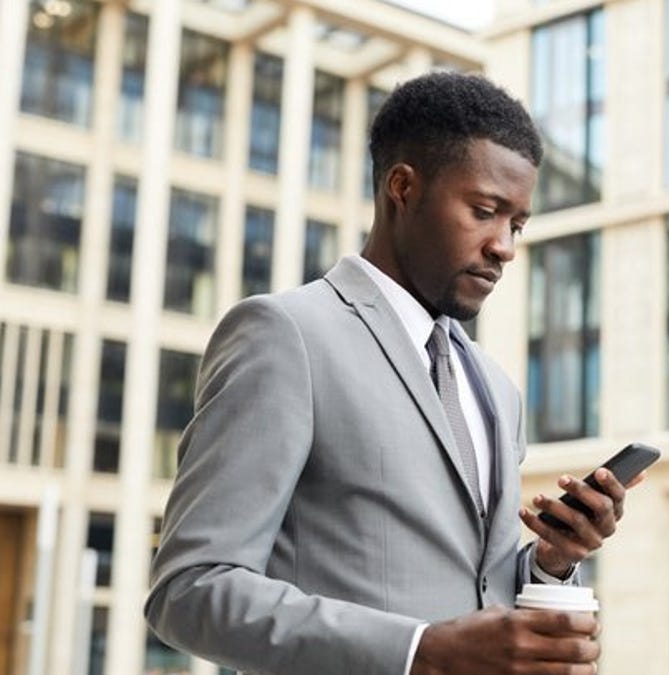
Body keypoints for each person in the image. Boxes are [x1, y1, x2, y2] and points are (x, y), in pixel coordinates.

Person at [145, 72, 637, 674]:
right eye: (485, 211)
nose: (504, 246)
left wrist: (551, 561)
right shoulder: (286, 335)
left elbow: (479, 592)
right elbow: (189, 590)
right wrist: (418, 651)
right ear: (402, 186)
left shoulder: (496, 388)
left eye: (517, 225)